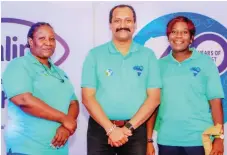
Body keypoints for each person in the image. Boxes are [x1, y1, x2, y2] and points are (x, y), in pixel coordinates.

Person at [81, 4, 162, 155]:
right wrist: (111, 129)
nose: (122, 25)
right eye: (117, 21)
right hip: (100, 130)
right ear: (110, 25)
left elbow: (154, 98)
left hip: (135, 130)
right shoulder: (94, 55)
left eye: (128, 20)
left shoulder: (148, 55)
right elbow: (87, 97)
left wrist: (127, 129)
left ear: (135, 24)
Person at [147, 16, 224, 155]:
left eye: (184, 32)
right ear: (168, 36)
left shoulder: (205, 63)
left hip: (200, 139)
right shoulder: (159, 65)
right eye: (174, 31)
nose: (178, 36)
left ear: (192, 38)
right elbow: (152, 105)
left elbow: (216, 102)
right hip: (167, 140)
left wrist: (219, 138)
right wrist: (148, 140)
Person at [2, 22, 79, 155]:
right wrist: (63, 118)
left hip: (58, 151)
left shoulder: (60, 73)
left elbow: (73, 102)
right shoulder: (19, 65)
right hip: (26, 149)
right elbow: (23, 100)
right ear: (31, 41)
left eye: (52, 39)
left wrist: (66, 127)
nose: (48, 43)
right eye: (42, 38)